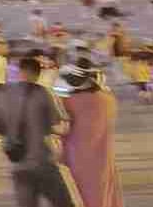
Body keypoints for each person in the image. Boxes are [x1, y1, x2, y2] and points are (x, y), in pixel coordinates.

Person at [0, 56, 75, 207]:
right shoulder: (42, 93)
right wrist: (68, 119)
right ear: (38, 74)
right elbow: (57, 128)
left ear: (20, 71)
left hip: (18, 165)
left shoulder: (2, 94)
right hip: (42, 162)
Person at [60, 59, 122, 207]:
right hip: (103, 156)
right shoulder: (108, 100)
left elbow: (60, 128)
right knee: (103, 193)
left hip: (76, 157)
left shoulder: (67, 102)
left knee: (80, 194)